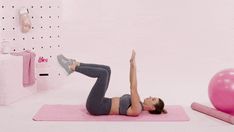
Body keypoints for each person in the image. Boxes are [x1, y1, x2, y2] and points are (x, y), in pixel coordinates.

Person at [57, 50, 167, 116]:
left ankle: (72, 68)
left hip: (96, 107)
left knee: (103, 74)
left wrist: (134, 66)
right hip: (100, 101)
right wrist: (131, 65)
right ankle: (76, 63)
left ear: (152, 108)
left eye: (153, 99)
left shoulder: (137, 109)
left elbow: (133, 87)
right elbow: (131, 82)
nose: (151, 96)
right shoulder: (137, 101)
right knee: (108, 70)